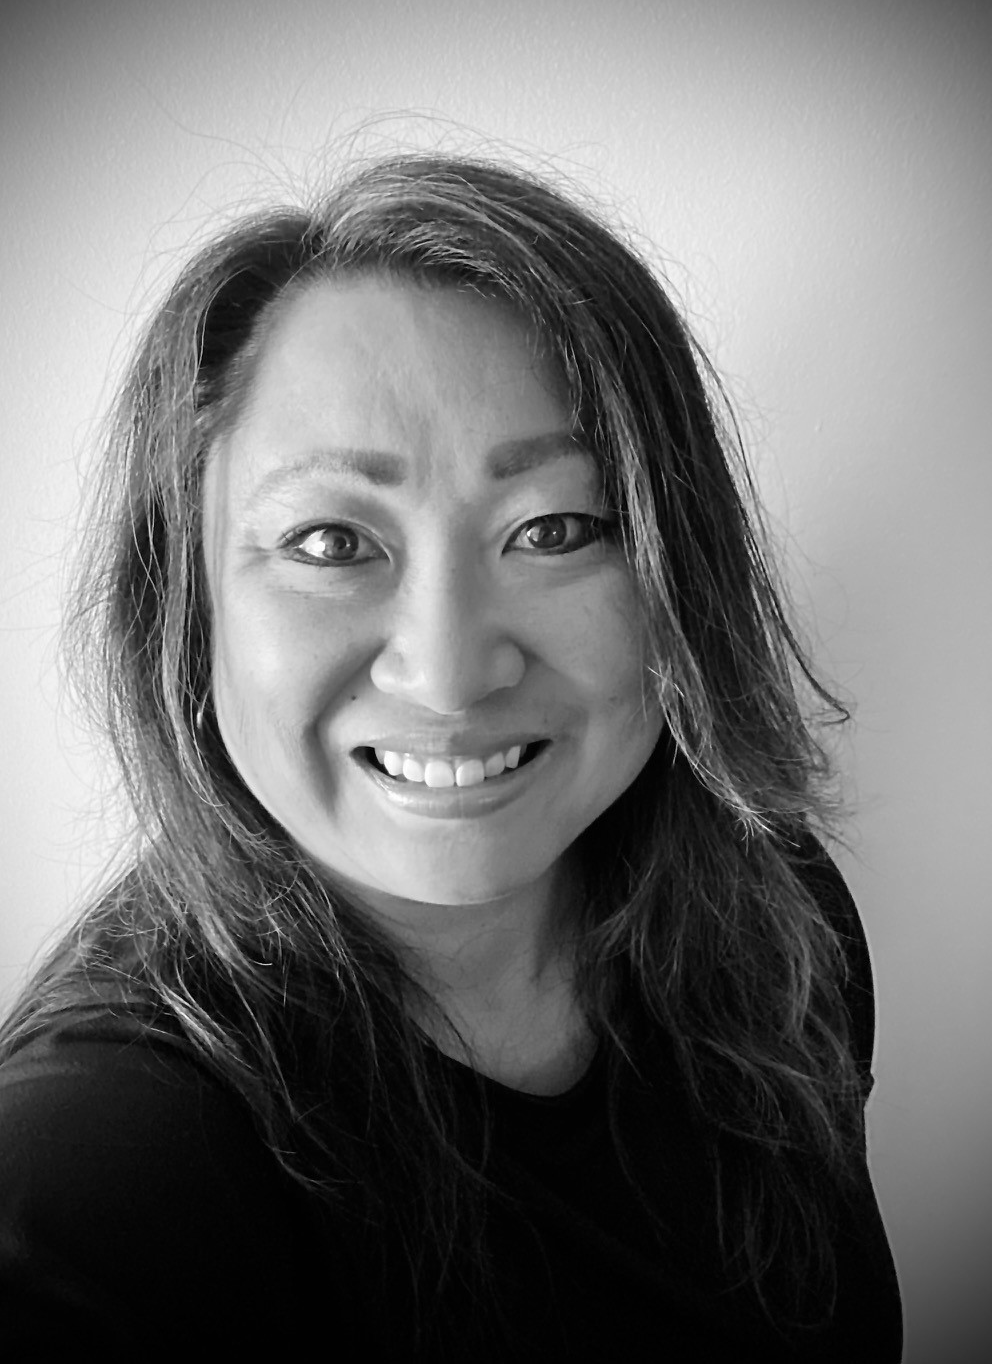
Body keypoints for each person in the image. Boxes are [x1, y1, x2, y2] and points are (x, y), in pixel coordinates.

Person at [0, 153, 902, 1360]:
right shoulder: (92, 1177)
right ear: (184, 605)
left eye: (553, 528)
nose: (449, 670)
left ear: (673, 575)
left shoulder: (775, 918)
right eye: (331, 540)